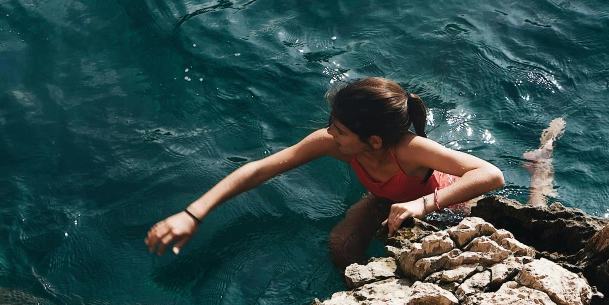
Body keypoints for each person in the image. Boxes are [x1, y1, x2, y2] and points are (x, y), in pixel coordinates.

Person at [145, 77, 505, 269]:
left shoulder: (409, 150)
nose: (329, 133)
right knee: (340, 246)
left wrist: (424, 205)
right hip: (387, 200)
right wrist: (194, 213)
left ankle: (541, 164)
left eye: (340, 129)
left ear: (374, 141)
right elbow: (259, 170)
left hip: (447, 205)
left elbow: (489, 174)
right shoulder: (335, 143)